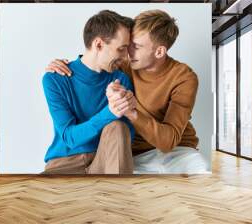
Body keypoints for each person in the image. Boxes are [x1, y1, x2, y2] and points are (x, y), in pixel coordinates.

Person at [46, 9, 208, 174]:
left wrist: (130, 111)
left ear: (159, 51)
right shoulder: (120, 67)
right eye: (125, 46)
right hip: (134, 153)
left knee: (201, 174)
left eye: (135, 47)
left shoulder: (183, 77)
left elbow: (167, 141)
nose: (126, 54)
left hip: (175, 149)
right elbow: (96, 60)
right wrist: (62, 66)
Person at [41, 10, 137, 175]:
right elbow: (69, 137)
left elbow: (127, 134)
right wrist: (111, 112)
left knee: (118, 127)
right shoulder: (55, 79)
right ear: (98, 44)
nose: (126, 57)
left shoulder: (121, 79)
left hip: (106, 158)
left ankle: (121, 196)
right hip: (64, 163)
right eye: (121, 49)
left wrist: (128, 111)